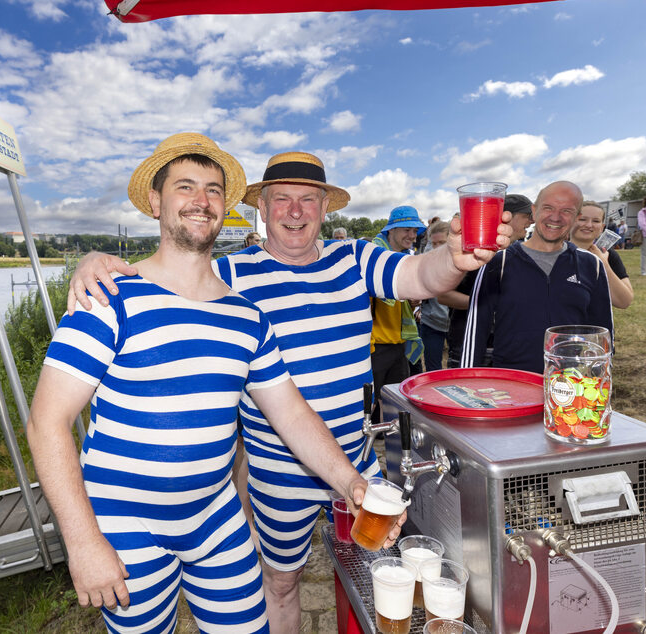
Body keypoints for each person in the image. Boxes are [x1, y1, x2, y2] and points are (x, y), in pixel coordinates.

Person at [67, 150, 514, 632]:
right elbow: (170, 274)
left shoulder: (356, 258)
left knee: (379, 575)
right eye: (282, 199)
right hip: (276, 472)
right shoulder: (231, 276)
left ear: (326, 209)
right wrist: (95, 263)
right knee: (280, 582)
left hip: (355, 461)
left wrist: (453, 257)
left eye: (308, 199)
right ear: (263, 208)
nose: (295, 211)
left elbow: (420, 276)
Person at [27, 134, 373, 633]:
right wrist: (81, 542)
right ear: (155, 202)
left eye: (213, 190)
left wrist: (352, 484)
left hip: (214, 516)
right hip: (127, 525)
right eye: (185, 186)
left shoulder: (245, 315)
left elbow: (292, 414)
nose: (201, 200)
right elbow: (47, 422)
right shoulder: (110, 298)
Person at [461, 181, 614, 374]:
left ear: (577, 217)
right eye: (548, 207)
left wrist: (599, 382)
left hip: (570, 385)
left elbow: (603, 335)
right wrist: (466, 379)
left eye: (567, 211)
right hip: (510, 385)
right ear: (534, 211)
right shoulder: (498, 263)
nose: (556, 217)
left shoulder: (592, 265)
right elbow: (475, 331)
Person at [440, 193, 534, 368]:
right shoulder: (475, 249)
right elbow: (443, 295)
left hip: (503, 346)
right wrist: (486, 306)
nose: (531, 222)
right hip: (467, 344)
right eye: (527, 216)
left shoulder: (519, 254)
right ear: (507, 215)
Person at [370, 205, 426, 412]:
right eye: (407, 230)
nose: (412, 235)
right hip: (374, 346)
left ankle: (391, 441)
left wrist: (410, 300)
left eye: (415, 231)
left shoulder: (406, 260)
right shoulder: (374, 257)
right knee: (370, 405)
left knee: (396, 402)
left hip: (399, 341)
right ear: (390, 230)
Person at [570, 201, 634, 309]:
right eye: (582, 219)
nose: (589, 225)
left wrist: (603, 265)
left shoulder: (608, 255)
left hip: (597, 324)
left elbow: (624, 302)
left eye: (596, 221)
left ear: (602, 227)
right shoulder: (554, 253)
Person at [418, 221, 451, 372]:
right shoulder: (427, 261)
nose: (438, 247)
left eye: (442, 242)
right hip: (431, 323)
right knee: (433, 369)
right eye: (434, 243)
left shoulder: (465, 263)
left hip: (455, 325)